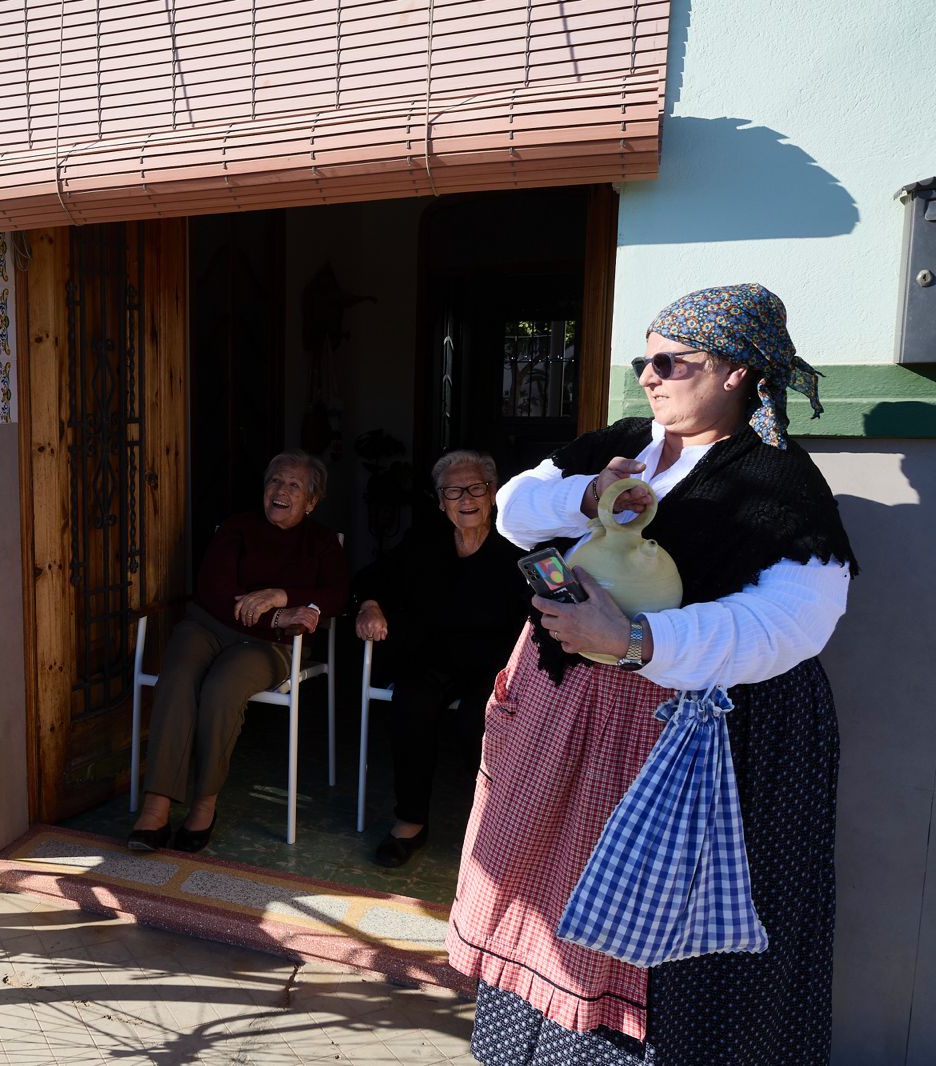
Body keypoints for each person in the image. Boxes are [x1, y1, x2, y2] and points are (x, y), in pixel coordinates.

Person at [446, 284, 856, 1065]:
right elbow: (513, 509)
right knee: (544, 897)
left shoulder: (777, 478)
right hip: (565, 720)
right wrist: (587, 491)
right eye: (644, 359)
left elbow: (793, 624)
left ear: (737, 372)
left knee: (659, 936)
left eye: (672, 360)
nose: (649, 376)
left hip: (684, 748)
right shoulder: (627, 440)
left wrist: (636, 640)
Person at [128, 451, 349, 853]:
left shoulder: (321, 542)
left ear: (312, 501)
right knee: (176, 678)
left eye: (293, 486)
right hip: (209, 625)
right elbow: (213, 590)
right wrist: (277, 615)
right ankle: (156, 806)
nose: (280, 491)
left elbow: (337, 596)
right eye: (274, 482)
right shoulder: (237, 527)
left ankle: (204, 803)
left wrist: (281, 597)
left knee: (222, 686)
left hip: (271, 646)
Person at [352, 450, 526, 868]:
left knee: (477, 720)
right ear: (441, 500)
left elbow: (547, 600)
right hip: (433, 656)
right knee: (410, 702)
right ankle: (410, 821)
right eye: (453, 491)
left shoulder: (519, 542)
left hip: (496, 663)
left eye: (476, 488)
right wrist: (370, 605)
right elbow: (374, 575)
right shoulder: (424, 541)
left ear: (493, 491)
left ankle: (495, 827)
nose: (466, 498)